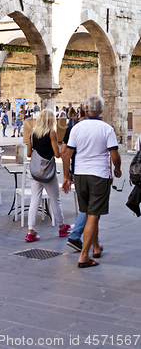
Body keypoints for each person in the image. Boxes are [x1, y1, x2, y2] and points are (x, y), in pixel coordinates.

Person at [62, 95, 122, 268]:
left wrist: (67, 176)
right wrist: (117, 168)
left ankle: (96, 247)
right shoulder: (107, 129)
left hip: (80, 175)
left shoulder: (76, 128)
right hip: (99, 176)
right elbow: (115, 155)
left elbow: (67, 154)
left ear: (85, 110)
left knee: (89, 214)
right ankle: (84, 256)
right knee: (94, 215)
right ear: (102, 111)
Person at [25, 109, 70, 242]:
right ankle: (62, 227)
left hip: (34, 172)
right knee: (55, 199)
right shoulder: (52, 133)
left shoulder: (32, 134)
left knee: (35, 199)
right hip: (48, 172)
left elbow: (28, 153)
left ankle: (31, 231)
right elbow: (56, 154)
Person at [61, 104, 86, 252]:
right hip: (96, 173)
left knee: (88, 207)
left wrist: (67, 175)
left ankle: (95, 245)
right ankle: (76, 236)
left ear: (78, 114)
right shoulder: (103, 127)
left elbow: (64, 153)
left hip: (78, 171)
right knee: (90, 208)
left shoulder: (72, 129)